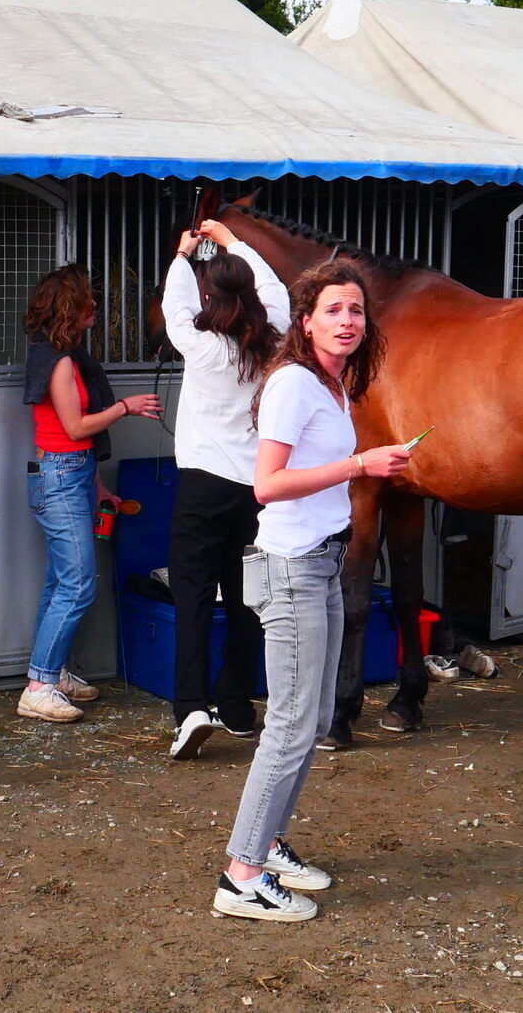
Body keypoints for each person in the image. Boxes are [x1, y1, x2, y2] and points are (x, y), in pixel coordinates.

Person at [214, 261, 413, 923]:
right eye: (333, 310)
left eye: (356, 310)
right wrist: (360, 465)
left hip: (323, 563)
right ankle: (241, 877)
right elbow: (267, 485)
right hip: (292, 568)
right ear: (305, 322)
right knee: (291, 725)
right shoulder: (294, 384)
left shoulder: (332, 385)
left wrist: (366, 465)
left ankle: (267, 845)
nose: (347, 321)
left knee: (315, 718)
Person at [160, 217, 291, 759]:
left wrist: (183, 255)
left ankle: (191, 708)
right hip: (255, 489)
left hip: (202, 486)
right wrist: (232, 241)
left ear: (210, 296)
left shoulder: (201, 345)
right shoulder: (275, 336)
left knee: (192, 597)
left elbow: (174, 305)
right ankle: (237, 706)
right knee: (246, 602)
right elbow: (276, 289)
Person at [18, 265, 162, 723]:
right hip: (58, 476)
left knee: (59, 582)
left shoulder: (68, 354)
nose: (95, 304)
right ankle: (38, 687)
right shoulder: (58, 361)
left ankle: (53, 673)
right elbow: (76, 426)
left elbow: (76, 441)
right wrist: (125, 407)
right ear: (68, 306)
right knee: (78, 584)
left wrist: (97, 485)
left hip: (72, 473)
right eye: (86, 297)